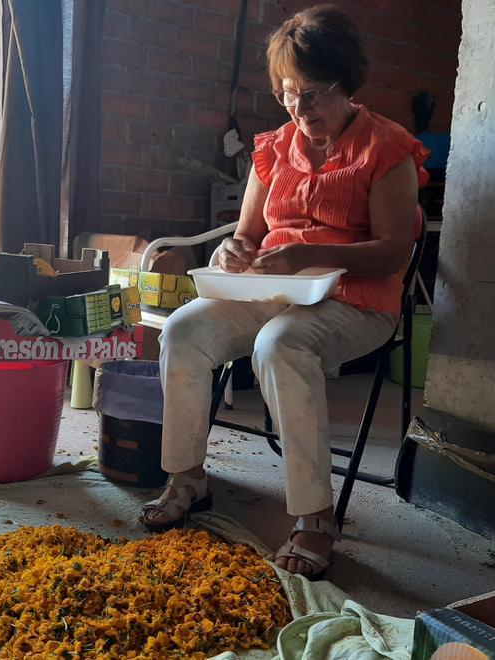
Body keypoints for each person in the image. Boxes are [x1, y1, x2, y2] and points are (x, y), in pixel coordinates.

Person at [140, 3, 429, 577]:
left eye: (317, 93)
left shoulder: (385, 147)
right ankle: (187, 477)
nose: (302, 108)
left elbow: (394, 251)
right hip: (275, 289)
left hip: (358, 298)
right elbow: (246, 235)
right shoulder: (273, 148)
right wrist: (231, 252)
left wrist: (308, 253)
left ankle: (316, 518)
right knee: (184, 328)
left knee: (280, 346)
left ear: (347, 85)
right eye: (289, 93)